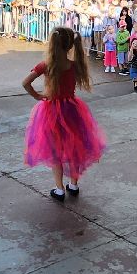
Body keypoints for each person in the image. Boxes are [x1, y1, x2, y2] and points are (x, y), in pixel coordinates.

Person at [22, 27, 106, 201]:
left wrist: (37, 96)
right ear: (70, 45)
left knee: (55, 151)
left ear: (52, 44)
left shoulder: (46, 65)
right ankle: (73, 185)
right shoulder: (74, 65)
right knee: (74, 147)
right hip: (72, 109)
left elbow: (25, 83)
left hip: (51, 110)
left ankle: (59, 189)